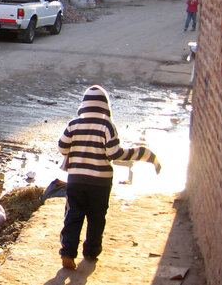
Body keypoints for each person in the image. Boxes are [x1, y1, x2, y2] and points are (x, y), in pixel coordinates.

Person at [57, 85, 161, 270]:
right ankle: (91, 252)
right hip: (100, 182)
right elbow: (114, 153)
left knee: (73, 215)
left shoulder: (73, 124)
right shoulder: (107, 126)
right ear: (105, 106)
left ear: (84, 105)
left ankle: (67, 252)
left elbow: (62, 147)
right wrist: (142, 154)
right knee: (97, 217)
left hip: (76, 180)